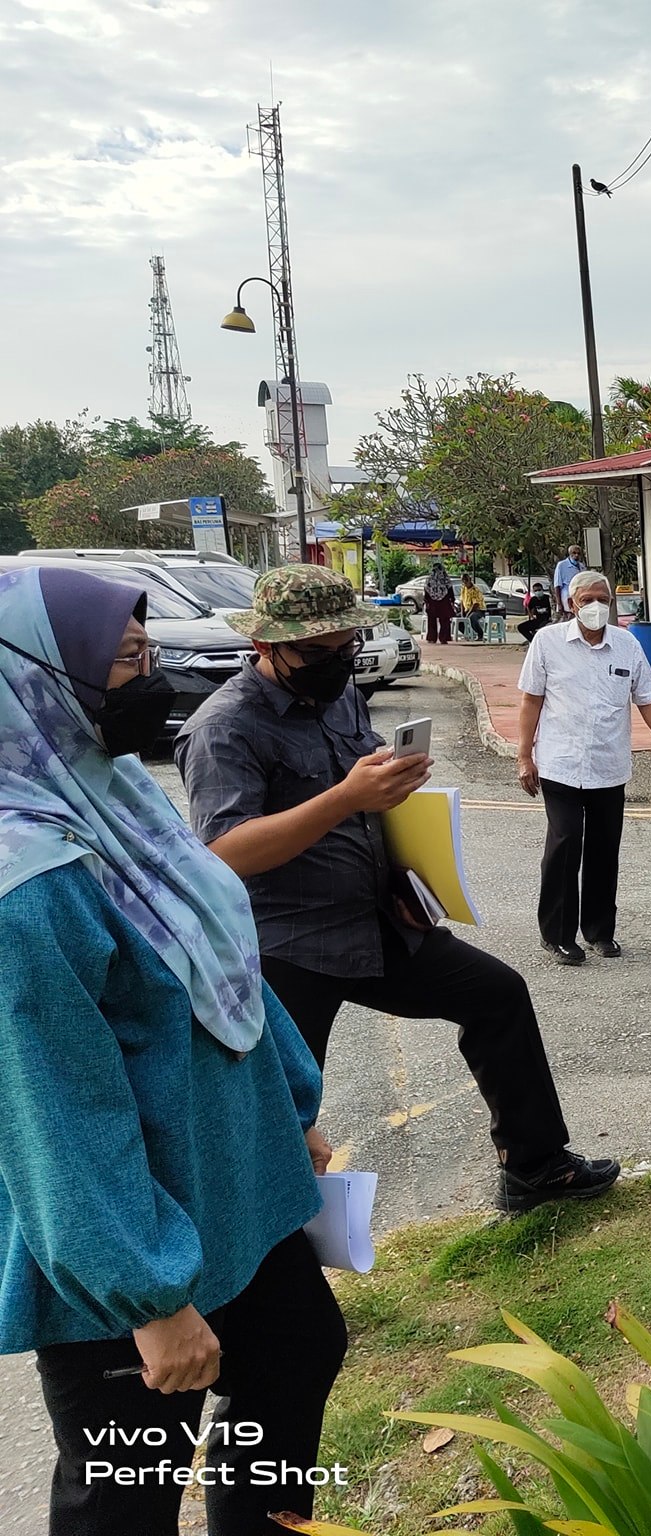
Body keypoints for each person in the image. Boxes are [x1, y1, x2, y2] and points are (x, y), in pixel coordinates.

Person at [0, 565, 345, 1536]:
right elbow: (53, 1112)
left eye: (150, 655)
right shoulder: (24, 885)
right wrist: (146, 1297)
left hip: (236, 1181)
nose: (148, 681)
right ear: (32, 679)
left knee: (295, 1355)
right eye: (124, 663)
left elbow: (217, 948)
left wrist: (291, 1103)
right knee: (127, 1486)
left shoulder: (110, 792)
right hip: (128, 1229)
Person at [175, 564, 619, 1214]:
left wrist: (405, 857)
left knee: (499, 997)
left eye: (345, 648)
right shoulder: (225, 729)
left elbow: (365, 797)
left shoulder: (338, 695)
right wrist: (345, 796)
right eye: (315, 652)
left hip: (378, 922)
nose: (335, 663)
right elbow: (223, 853)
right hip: (287, 950)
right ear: (265, 646)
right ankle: (261, 1260)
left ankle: (536, 1167)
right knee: (280, 1108)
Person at [517, 569, 651, 963]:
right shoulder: (547, 642)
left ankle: (599, 931)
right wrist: (524, 755)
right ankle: (557, 934)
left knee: (604, 848)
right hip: (560, 763)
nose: (595, 607)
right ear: (570, 604)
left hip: (609, 765)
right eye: (586, 600)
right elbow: (530, 701)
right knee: (565, 842)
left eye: (602, 599)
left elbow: (646, 697)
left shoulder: (626, 645)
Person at [422, 559, 456, 645]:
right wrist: (452, 600)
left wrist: (427, 601)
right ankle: (443, 638)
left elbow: (426, 590)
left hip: (432, 602)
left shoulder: (429, 579)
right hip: (444, 602)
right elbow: (450, 590)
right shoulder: (445, 578)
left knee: (431, 621)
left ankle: (432, 638)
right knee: (445, 621)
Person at [553, 544, 585, 615]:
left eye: (578, 553)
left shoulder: (582, 567)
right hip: (566, 598)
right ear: (570, 553)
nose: (576, 555)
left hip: (579, 598)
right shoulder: (562, 565)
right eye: (574, 553)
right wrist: (559, 604)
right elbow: (557, 585)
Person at [457, 571, 488, 640]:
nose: (465, 582)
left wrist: (468, 614)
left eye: (466, 580)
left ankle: (480, 634)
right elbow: (462, 601)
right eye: (463, 581)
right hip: (467, 609)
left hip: (478, 610)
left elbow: (475, 604)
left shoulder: (475, 589)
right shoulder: (463, 588)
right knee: (457, 618)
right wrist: (462, 613)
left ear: (470, 580)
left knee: (472, 617)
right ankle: (466, 633)